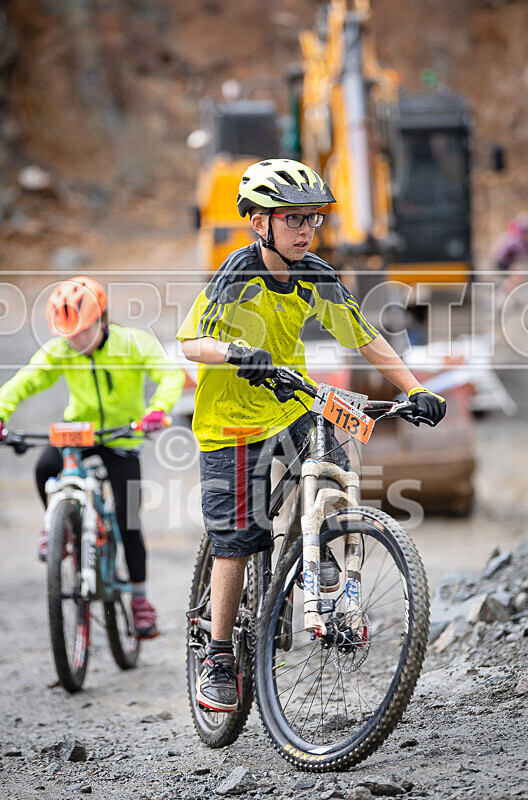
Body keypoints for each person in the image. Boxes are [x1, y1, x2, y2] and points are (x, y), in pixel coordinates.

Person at [176, 158, 446, 712]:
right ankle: (220, 654)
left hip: (290, 398)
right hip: (232, 417)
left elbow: (364, 336)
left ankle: (320, 551)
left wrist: (415, 388)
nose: (306, 230)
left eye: (312, 219)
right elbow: (189, 343)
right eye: (293, 219)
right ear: (259, 223)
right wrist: (234, 352)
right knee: (238, 539)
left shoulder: (315, 274)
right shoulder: (237, 272)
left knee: (332, 458)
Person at [0, 276, 185, 639]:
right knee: (44, 467)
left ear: (102, 319)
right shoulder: (61, 350)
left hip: (122, 435)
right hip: (80, 431)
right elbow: (24, 381)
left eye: (82, 332)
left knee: (128, 518)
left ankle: (140, 600)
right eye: (68, 334)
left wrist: (157, 410)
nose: (76, 341)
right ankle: (60, 529)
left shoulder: (132, 344)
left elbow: (167, 375)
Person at [491, 212, 528, 300]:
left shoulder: (517, 234)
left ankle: (506, 296)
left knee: (518, 275)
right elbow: (525, 252)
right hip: (501, 261)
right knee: (517, 276)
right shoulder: (517, 238)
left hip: (504, 260)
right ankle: (501, 297)